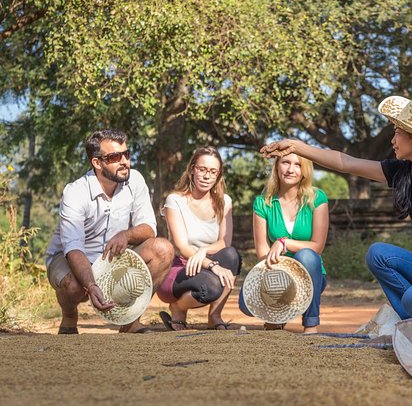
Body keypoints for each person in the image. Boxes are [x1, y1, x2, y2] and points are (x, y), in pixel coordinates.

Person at [261, 96, 412, 345]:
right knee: (378, 253)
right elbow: (346, 163)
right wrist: (295, 147)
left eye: (397, 132)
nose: (392, 140)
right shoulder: (404, 172)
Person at [45, 129, 173, 334]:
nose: (124, 161)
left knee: (163, 249)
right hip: (72, 258)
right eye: (115, 157)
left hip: (115, 258)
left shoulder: (136, 180)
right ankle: (69, 316)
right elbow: (73, 248)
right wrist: (91, 285)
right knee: (73, 287)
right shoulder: (76, 192)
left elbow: (149, 228)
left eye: (127, 154)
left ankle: (131, 321)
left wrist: (126, 235)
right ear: (97, 163)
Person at [238, 153, 329, 334]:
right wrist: (278, 282)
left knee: (307, 256)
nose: (290, 169)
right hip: (276, 273)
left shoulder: (317, 198)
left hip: (311, 274)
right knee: (245, 304)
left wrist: (284, 243)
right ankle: (277, 315)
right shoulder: (262, 203)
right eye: (285, 162)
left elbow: (317, 246)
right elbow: (263, 252)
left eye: (297, 165)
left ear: (304, 170)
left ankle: (311, 324)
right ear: (277, 166)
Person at [156, 146, 242, 331]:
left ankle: (214, 315)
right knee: (210, 287)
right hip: (179, 268)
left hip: (206, 264)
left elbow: (224, 242)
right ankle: (177, 307)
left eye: (213, 172)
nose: (206, 176)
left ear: (218, 175)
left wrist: (203, 251)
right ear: (192, 169)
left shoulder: (224, 201)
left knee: (232, 255)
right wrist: (213, 266)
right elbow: (181, 246)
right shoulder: (175, 200)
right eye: (202, 169)